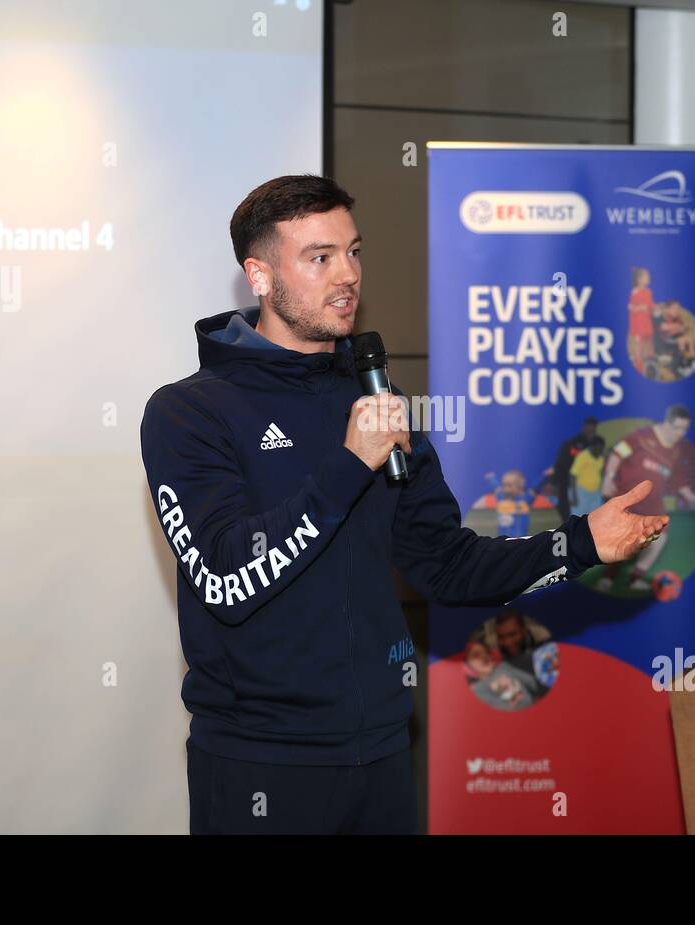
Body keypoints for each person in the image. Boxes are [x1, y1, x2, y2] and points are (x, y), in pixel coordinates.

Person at [140, 174, 668, 835]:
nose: (347, 275)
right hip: (263, 766)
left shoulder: (379, 400)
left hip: (384, 754)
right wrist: (347, 465)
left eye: (354, 251)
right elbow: (226, 580)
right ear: (261, 276)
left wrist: (580, 542)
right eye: (320, 256)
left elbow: (447, 565)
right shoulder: (189, 412)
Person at [595, 405, 695, 595]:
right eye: (678, 428)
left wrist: (691, 496)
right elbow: (617, 453)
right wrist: (608, 477)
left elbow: (678, 480)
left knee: (661, 537)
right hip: (628, 498)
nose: (681, 433)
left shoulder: (676, 451)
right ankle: (607, 578)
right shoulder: (640, 436)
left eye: (685, 429)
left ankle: (636, 578)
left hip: (653, 505)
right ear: (666, 423)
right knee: (622, 541)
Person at [548, 417, 598, 520]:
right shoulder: (572, 444)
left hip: (587, 486)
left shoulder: (596, 445)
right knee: (567, 511)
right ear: (584, 427)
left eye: (593, 427)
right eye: (589, 427)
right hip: (567, 482)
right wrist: (554, 482)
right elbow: (561, 464)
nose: (590, 430)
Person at [569, 435, 606, 516]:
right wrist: (574, 496)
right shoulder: (582, 456)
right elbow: (573, 475)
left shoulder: (601, 458)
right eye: (598, 449)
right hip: (582, 492)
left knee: (594, 518)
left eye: (601, 449)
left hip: (595, 492)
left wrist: (602, 490)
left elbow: (600, 473)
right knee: (578, 518)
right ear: (592, 447)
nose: (600, 451)